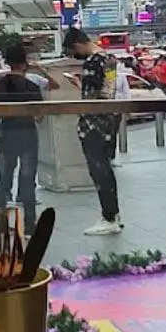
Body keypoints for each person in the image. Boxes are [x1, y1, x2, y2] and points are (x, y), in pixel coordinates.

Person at [63, 28, 122, 236]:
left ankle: (109, 217)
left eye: (73, 50)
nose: (75, 54)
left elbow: (90, 98)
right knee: (106, 169)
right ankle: (114, 214)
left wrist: (80, 85)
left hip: (93, 124)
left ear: (78, 44)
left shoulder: (91, 63)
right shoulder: (110, 59)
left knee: (98, 169)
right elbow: (108, 91)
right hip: (109, 120)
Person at [0, 45, 46, 236]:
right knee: (28, 180)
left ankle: (1, 224)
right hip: (28, 135)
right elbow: (39, 117)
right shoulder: (32, 87)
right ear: (25, 63)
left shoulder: (0, 84)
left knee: (4, 179)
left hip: (7, 135)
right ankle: (30, 223)